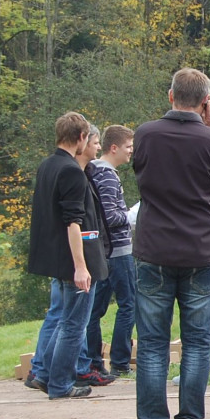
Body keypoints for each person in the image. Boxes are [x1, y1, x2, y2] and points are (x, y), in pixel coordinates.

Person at [122, 68, 210, 419]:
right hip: (202, 251)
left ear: (171, 96)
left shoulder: (145, 134)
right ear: (206, 102)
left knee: (152, 342)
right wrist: (209, 127)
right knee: (198, 343)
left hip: (154, 248)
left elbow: (141, 171)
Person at [26, 112, 110, 400]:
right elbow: (73, 222)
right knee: (74, 324)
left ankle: (45, 374)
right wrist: (81, 267)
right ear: (81, 137)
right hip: (72, 258)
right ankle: (61, 383)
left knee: (64, 319)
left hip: (54, 256)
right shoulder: (71, 170)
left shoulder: (47, 165)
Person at [85, 125, 137, 376]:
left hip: (105, 251)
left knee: (95, 309)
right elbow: (109, 216)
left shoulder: (97, 172)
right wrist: (132, 215)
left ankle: (94, 361)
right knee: (129, 305)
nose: (131, 151)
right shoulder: (106, 175)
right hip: (118, 250)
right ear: (114, 148)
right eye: (128, 146)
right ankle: (120, 361)